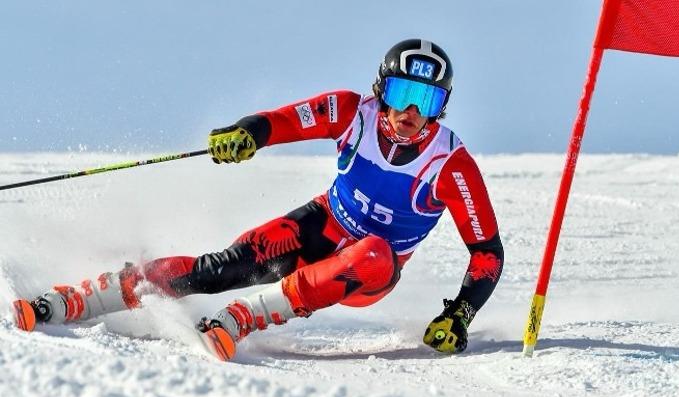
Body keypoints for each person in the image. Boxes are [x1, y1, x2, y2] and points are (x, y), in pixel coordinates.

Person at [21, 39, 504, 358]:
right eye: (402, 92)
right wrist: (245, 134)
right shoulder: (354, 111)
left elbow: (487, 252)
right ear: (383, 89)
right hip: (320, 226)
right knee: (218, 269)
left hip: (368, 272)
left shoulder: (450, 165)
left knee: (376, 252)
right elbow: (283, 121)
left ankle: (245, 317)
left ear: (443, 107)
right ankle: (83, 297)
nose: (412, 112)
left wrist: (459, 314)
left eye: (429, 101)